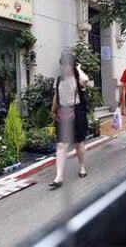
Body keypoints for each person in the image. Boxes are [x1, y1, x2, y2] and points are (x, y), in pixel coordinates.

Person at [49, 53, 89, 188]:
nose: (64, 67)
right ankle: (58, 177)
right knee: (61, 145)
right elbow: (56, 96)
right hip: (62, 113)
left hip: (77, 112)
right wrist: (53, 110)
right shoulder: (59, 79)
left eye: (67, 64)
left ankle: (82, 166)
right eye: (63, 64)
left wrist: (79, 69)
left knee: (79, 143)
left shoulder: (78, 79)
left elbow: (86, 80)